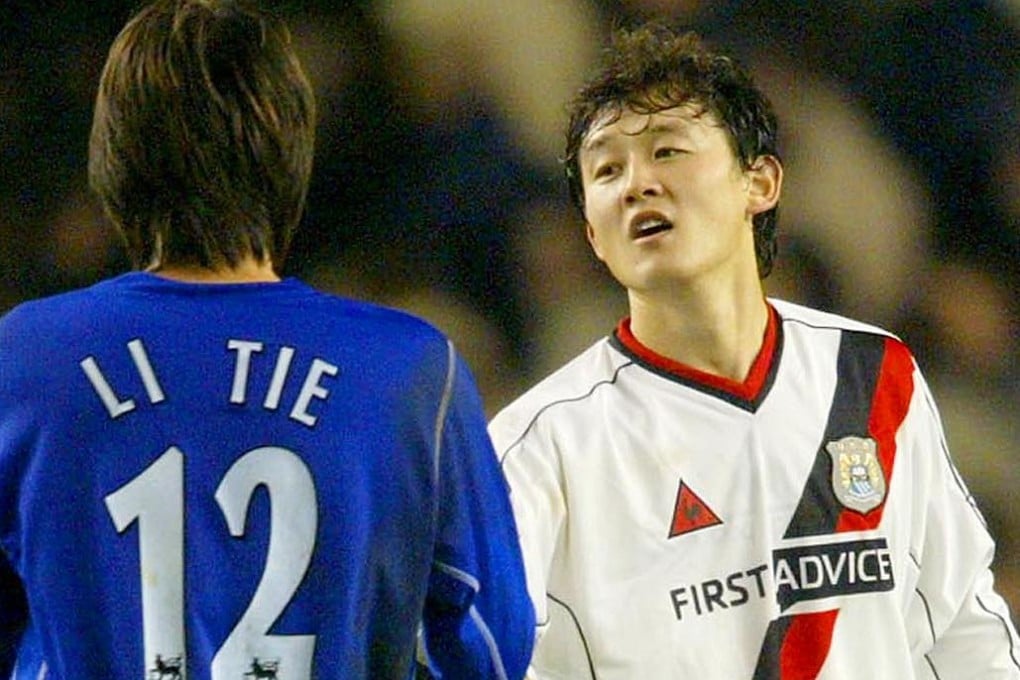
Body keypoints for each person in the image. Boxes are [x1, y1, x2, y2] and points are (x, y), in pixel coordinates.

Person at [0, 1, 534, 679]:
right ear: (290, 157)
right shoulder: (409, 371)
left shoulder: (26, 357)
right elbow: (493, 645)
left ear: (114, 162)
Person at [488, 22, 1020, 678]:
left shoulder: (871, 374)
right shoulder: (540, 447)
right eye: (606, 170)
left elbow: (963, 633)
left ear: (759, 181)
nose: (636, 184)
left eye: (667, 150)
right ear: (594, 234)